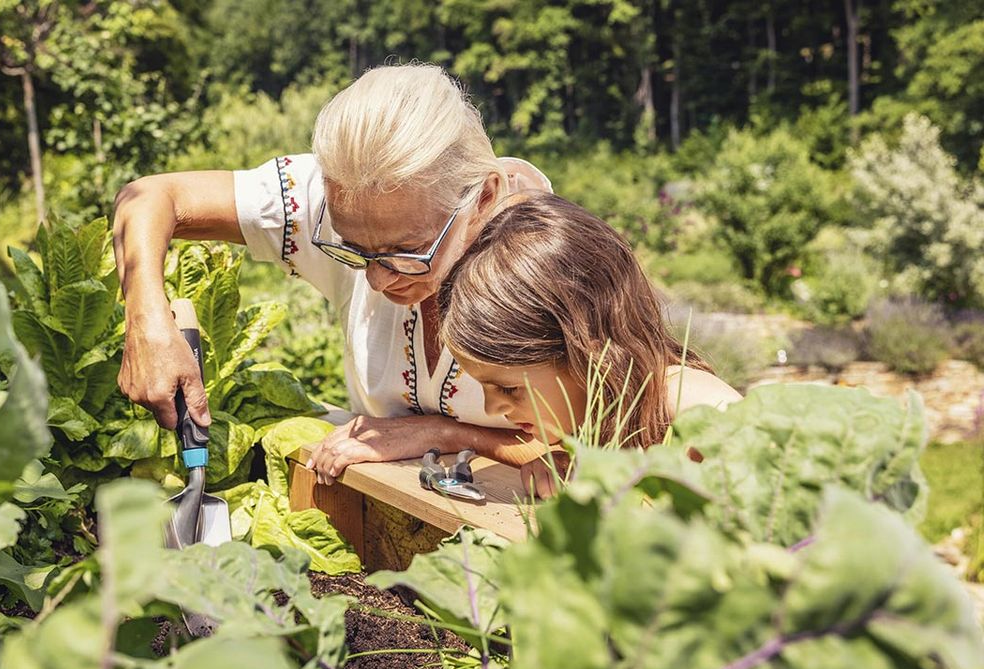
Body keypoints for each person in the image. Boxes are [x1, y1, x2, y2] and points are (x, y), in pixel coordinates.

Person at [112, 63, 555, 486]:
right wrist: (146, 322)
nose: (378, 281)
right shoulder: (340, 193)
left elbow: (596, 445)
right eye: (354, 251)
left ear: (484, 198)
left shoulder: (555, 264)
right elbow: (148, 196)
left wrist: (444, 433)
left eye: (408, 251)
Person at [437, 193, 743, 497]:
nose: (492, 409)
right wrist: (577, 464)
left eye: (508, 389)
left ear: (587, 352)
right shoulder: (598, 418)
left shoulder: (699, 411)